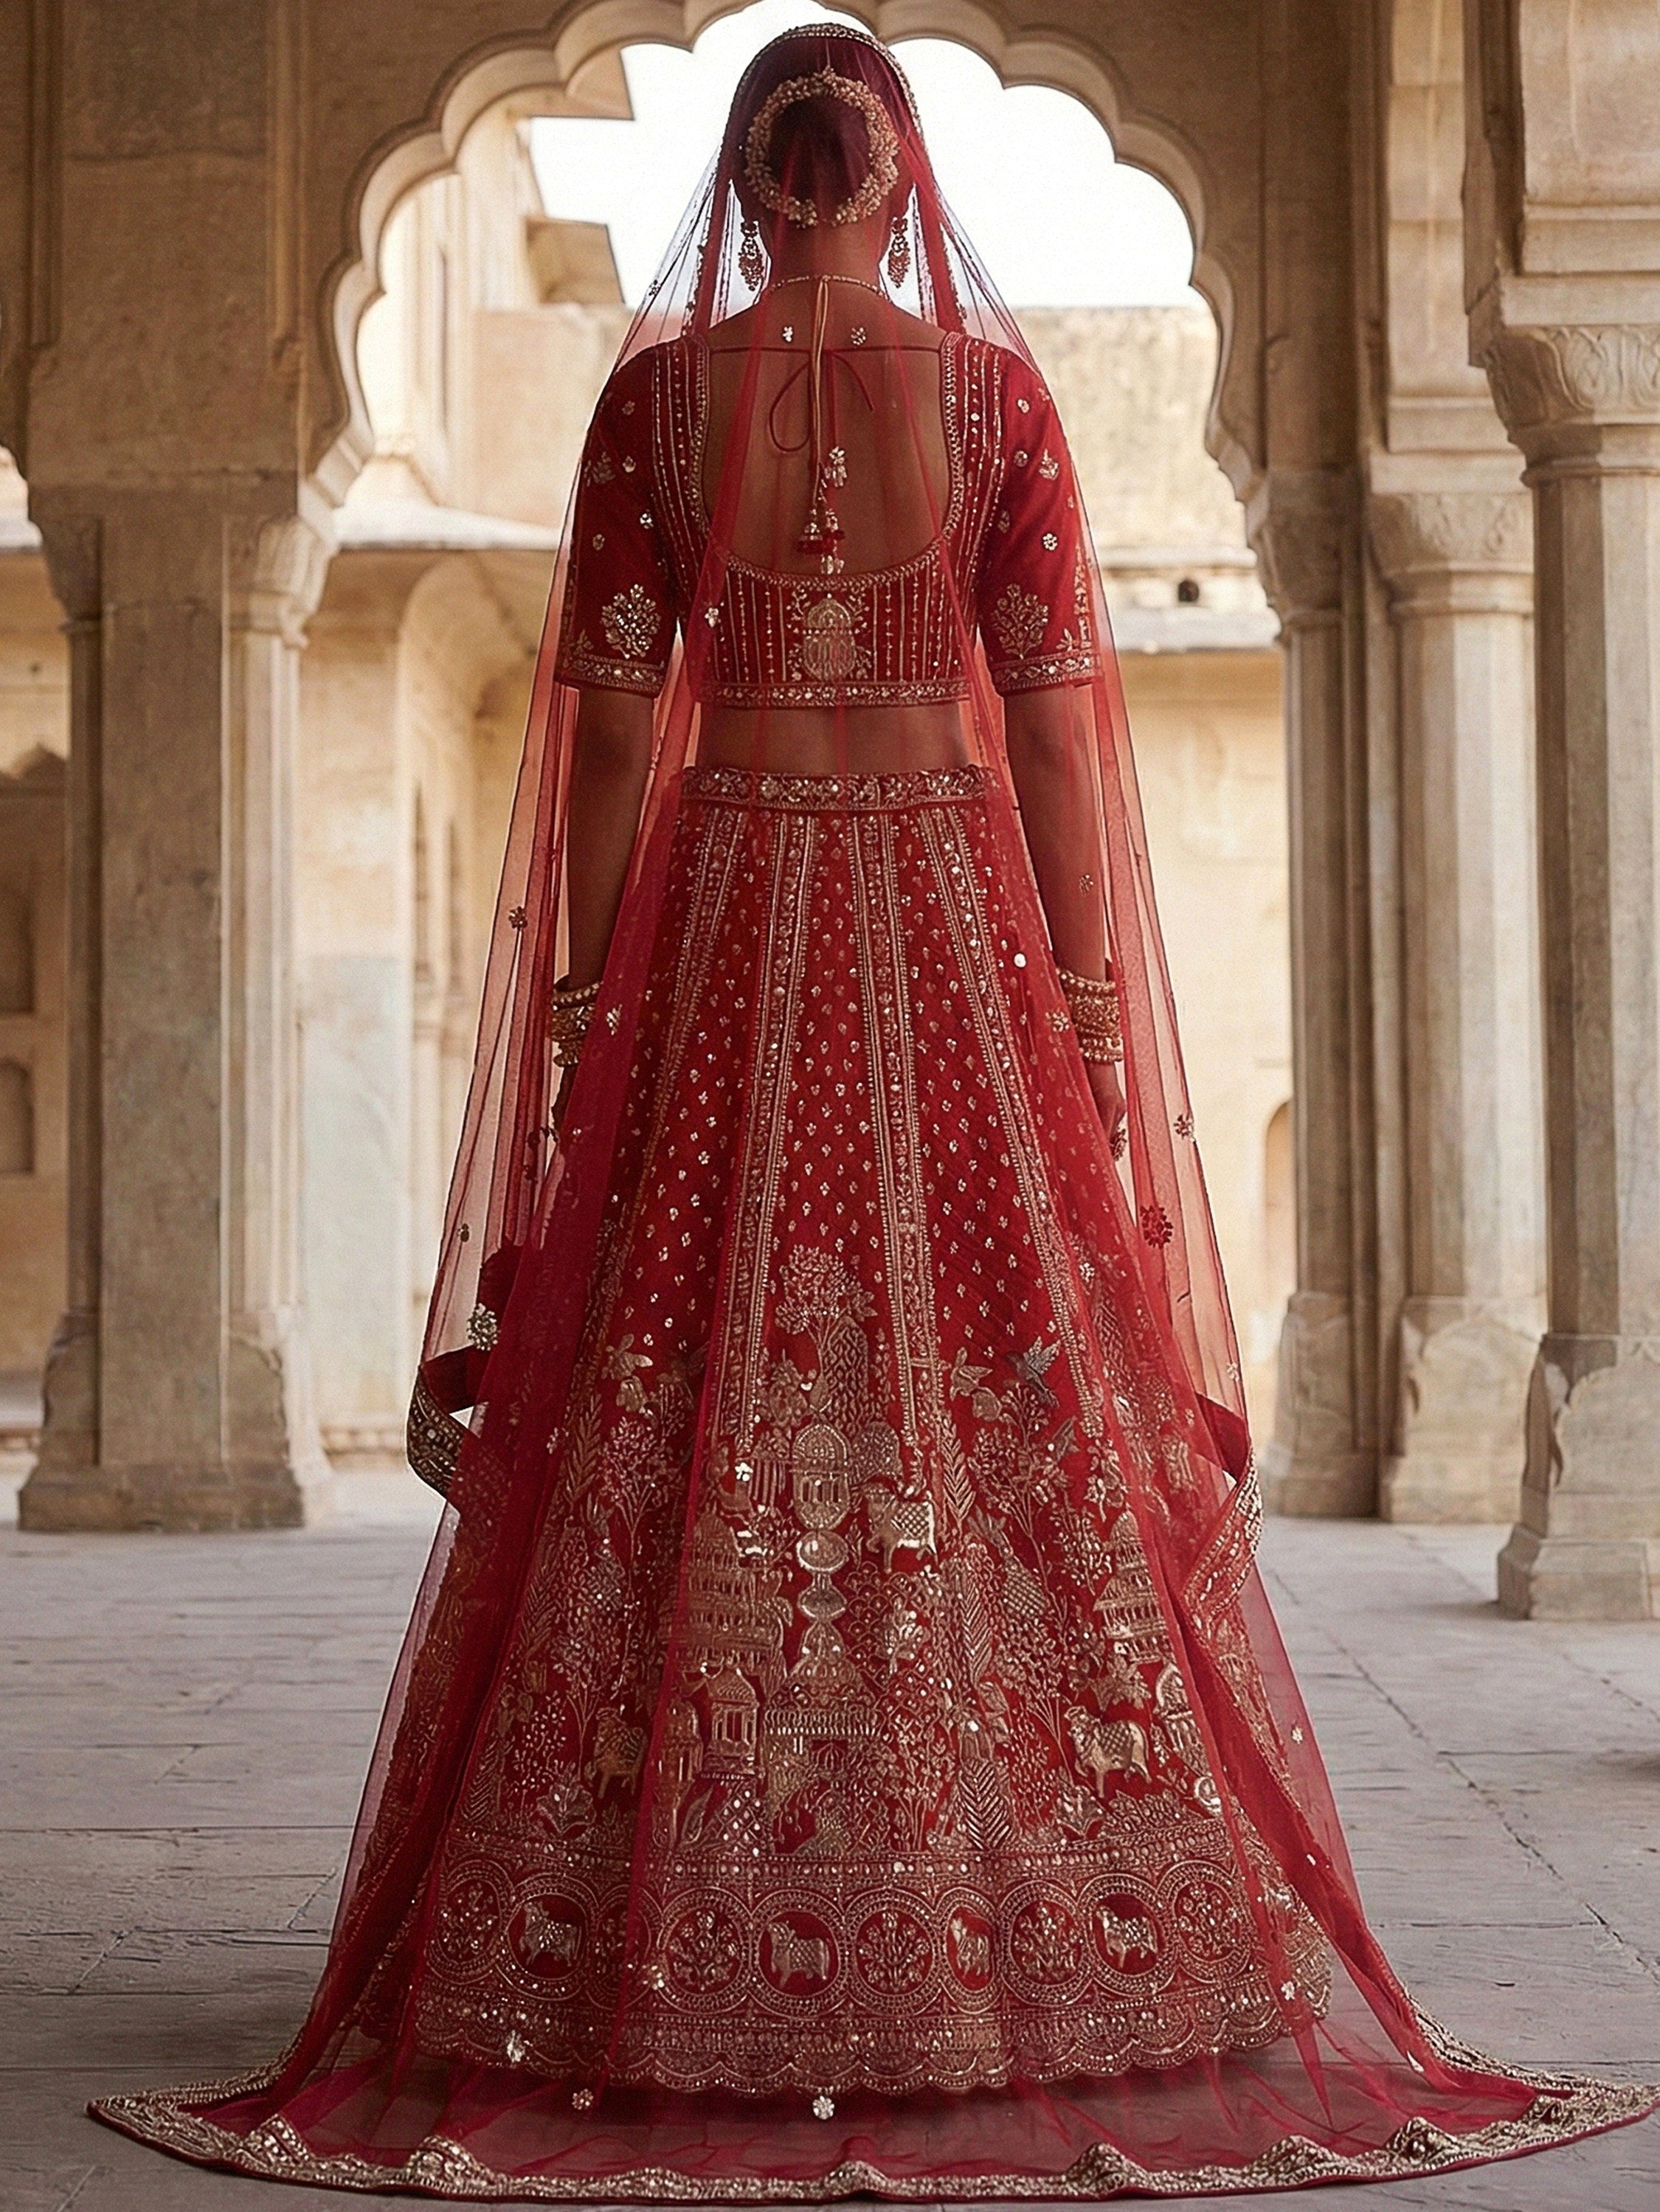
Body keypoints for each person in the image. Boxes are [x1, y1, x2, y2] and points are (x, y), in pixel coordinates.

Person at [94, 24, 1652, 2199]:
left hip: (726, 913)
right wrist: (1091, 1005)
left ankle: (616, 1940)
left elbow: (618, 729)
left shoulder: (660, 402)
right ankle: (1052, 1921)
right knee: (986, 1375)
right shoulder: (994, 403)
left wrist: (587, 999)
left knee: (692, 1371)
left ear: (749, 187)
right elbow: (1050, 727)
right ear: (896, 182)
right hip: (946, 922)